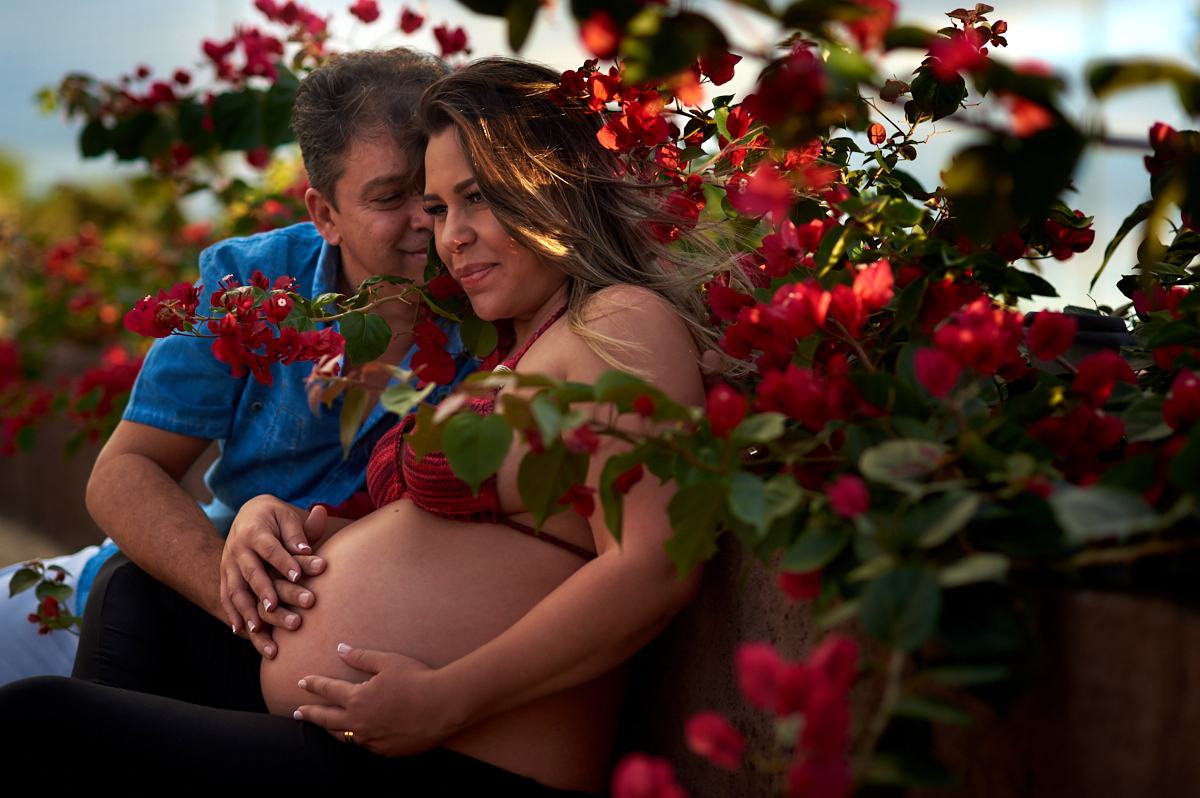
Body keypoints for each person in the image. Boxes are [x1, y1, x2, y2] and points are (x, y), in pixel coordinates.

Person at [0, 58, 740, 794]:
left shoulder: (619, 324)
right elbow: (449, 543)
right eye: (436, 206)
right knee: (135, 598)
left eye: (473, 198)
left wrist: (444, 699)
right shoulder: (516, 338)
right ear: (325, 213)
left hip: (458, 746)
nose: (446, 236)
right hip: (360, 710)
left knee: (42, 721)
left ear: (551, 182)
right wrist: (263, 515)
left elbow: (653, 567)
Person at [0, 47, 473, 694]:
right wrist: (237, 598)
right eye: (391, 197)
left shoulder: (500, 310)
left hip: (333, 643)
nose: (428, 219)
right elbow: (122, 473)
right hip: (166, 590)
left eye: (441, 192)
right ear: (325, 216)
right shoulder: (252, 283)